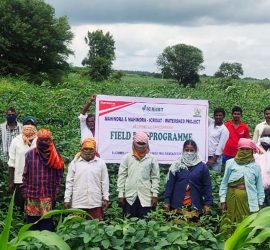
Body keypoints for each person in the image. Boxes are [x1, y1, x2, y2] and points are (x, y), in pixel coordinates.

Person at [21, 129, 64, 231]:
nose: (44, 143)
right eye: (41, 140)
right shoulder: (30, 154)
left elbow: (60, 176)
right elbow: (25, 175)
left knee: (47, 224)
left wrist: (57, 192)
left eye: (46, 140)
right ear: (37, 140)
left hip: (48, 196)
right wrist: (25, 192)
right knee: (32, 224)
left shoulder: (55, 156)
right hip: (32, 195)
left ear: (50, 141)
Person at [219, 138, 264, 224]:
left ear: (252, 151)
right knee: (229, 220)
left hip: (248, 200)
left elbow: (259, 186)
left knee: (246, 223)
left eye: (247, 149)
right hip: (231, 198)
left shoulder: (255, 167)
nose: (244, 151)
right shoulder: (230, 163)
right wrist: (222, 200)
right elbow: (224, 183)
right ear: (238, 149)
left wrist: (260, 202)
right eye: (242, 149)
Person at [164, 140, 213, 218]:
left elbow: (207, 186)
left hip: (196, 204)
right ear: (183, 150)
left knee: (194, 228)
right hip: (177, 204)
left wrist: (207, 203)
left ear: (196, 151)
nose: (189, 152)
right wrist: (167, 201)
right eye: (187, 150)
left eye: (191, 150)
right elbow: (170, 185)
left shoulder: (202, 167)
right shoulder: (176, 165)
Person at [64, 138, 109, 221]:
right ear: (82, 149)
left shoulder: (101, 163)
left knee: (96, 228)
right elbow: (69, 182)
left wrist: (105, 198)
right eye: (86, 149)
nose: (88, 151)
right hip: (78, 203)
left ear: (95, 149)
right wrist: (67, 199)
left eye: (91, 149)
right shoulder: (74, 163)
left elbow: (105, 182)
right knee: (78, 228)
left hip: (95, 203)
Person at [117, 132, 160, 219]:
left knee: (144, 225)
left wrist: (154, 194)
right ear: (134, 143)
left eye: (143, 144)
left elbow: (155, 178)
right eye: (138, 144)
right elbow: (122, 176)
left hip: (146, 197)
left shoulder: (151, 159)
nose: (140, 146)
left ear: (147, 144)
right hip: (129, 197)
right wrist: (121, 194)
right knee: (129, 223)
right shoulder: (127, 158)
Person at [8, 120, 38, 211]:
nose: (29, 127)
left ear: (36, 127)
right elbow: (11, 162)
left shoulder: (40, 140)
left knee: (34, 207)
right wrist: (11, 181)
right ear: (23, 126)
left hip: (36, 180)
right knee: (20, 205)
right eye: (27, 124)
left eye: (32, 125)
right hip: (20, 180)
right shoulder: (16, 140)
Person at [207, 108, 229, 173]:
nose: (218, 117)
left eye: (220, 115)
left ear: (223, 117)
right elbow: (204, 115)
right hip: (205, 155)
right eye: (216, 115)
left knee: (215, 176)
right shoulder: (211, 123)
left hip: (215, 158)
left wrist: (213, 159)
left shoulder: (224, 130)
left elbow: (221, 147)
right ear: (214, 116)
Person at [254, 126, 270, 206]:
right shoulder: (255, 148)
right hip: (257, 184)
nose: (267, 138)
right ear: (261, 136)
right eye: (265, 135)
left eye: (269, 136)